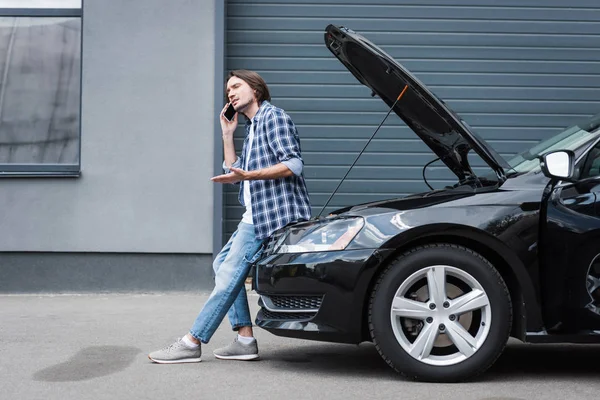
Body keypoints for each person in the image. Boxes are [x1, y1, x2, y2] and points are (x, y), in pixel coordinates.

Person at [148, 70, 311, 363]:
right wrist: (227, 134)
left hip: (271, 218)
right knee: (222, 263)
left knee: (226, 277)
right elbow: (235, 172)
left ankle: (191, 342)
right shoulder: (252, 128)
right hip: (255, 215)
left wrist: (252, 174)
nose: (231, 94)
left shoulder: (274, 118)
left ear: (256, 89)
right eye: (228, 91)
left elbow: (293, 164)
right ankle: (245, 339)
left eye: (236, 87)